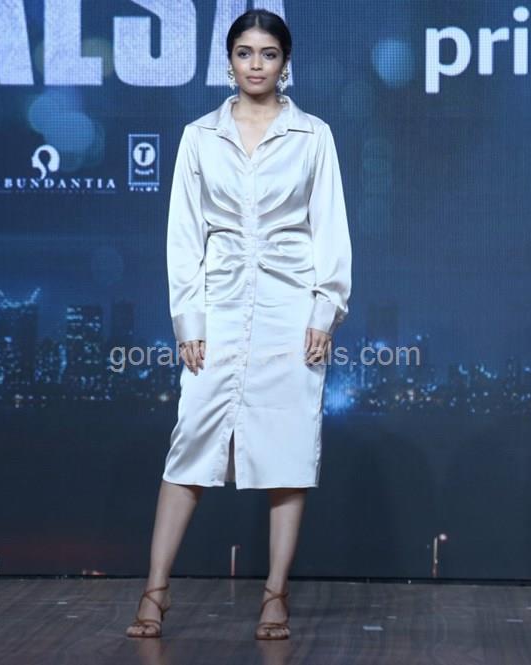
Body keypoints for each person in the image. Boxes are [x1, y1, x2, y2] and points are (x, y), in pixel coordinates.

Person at [126, 8, 352, 641]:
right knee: (190, 446)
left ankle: (275, 596)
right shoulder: (199, 136)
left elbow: (330, 228)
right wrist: (189, 320)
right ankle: (154, 591)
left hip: (290, 312)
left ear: (285, 63)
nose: (256, 64)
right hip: (219, 309)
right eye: (245, 53)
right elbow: (183, 236)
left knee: (288, 453)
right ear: (228, 62)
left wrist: (324, 309)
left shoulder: (314, 136)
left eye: (268, 54)